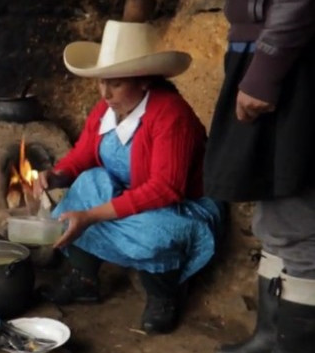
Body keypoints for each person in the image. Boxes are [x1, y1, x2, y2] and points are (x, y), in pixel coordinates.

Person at [34, 20, 222, 334]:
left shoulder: (170, 114)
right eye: (101, 82)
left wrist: (93, 216)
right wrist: (56, 175)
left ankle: (164, 294)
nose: (105, 92)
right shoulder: (106, 109)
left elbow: (166, 188)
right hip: (128, 198)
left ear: (145, 80)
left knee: (153, 233)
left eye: (116, 83)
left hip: (177, 207)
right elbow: (85, 154)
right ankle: (84, 279)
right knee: (86, 183)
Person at [204, 1, 315, 352]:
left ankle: (292, 345)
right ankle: (269, 338)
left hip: (292, 63)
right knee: (275, 210)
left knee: (299, 216)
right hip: (270, 57)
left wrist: (265, 66)